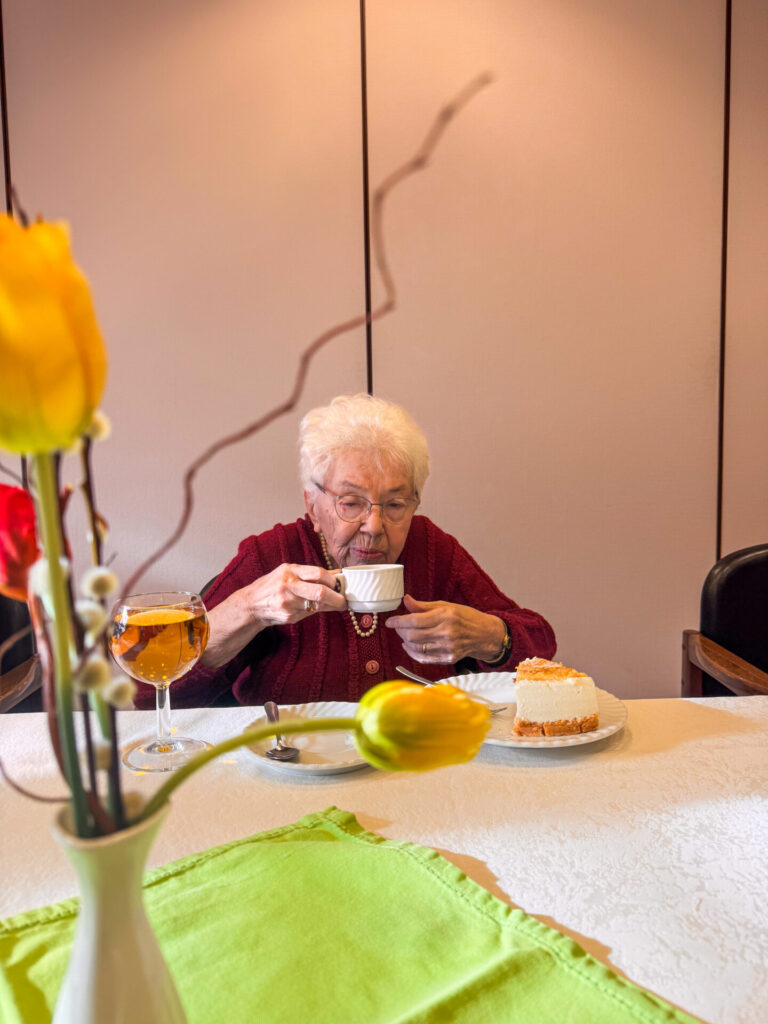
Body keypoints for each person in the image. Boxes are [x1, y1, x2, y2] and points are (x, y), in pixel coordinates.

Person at [134, 394, 555, 708]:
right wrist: (249, 610)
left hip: (416, 765)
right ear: (312, 505)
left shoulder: (432, 549)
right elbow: (148, 692)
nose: (374, 526)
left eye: (395, 504)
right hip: (293, 770)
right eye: (351, 503)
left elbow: (541, 647)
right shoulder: (271, 555)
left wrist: (490, 637)